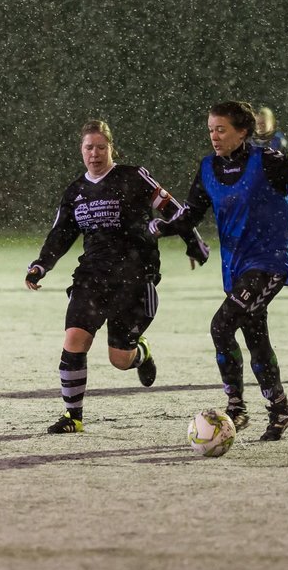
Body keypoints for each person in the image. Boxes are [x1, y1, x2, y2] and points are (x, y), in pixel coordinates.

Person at [153, 100, 288, 441]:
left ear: (243, 132)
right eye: (210, 130)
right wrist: (158, 229)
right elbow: (190, 215)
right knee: (254, 333)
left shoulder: (267, 161)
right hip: (235, 268)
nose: (214, 136)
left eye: (221, 129)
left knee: (221, 326)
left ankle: (236, 407)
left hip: (269, 262)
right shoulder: (207, 168)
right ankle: (280, 407)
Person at [25, 120, 208, 433]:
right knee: (74, 339)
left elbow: (173, 208)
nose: (94, 154)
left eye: (100, 147)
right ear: (81, 150)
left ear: (111, 148)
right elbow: (61, 234)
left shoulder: (133, 176)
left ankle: (141, 352)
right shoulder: (75, 191)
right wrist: (41, 264)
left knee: (120, 360)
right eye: (88, 147)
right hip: (92, 275)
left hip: (134, 276)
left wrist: (194, 243)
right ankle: (73, 417)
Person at [250, 105, 288, 265]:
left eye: (263, 124)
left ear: (272, 124)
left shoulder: (279, 141)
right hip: (262, 199)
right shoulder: (251, 143)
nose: (260, 127)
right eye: (258, 124)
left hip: (285, 198)